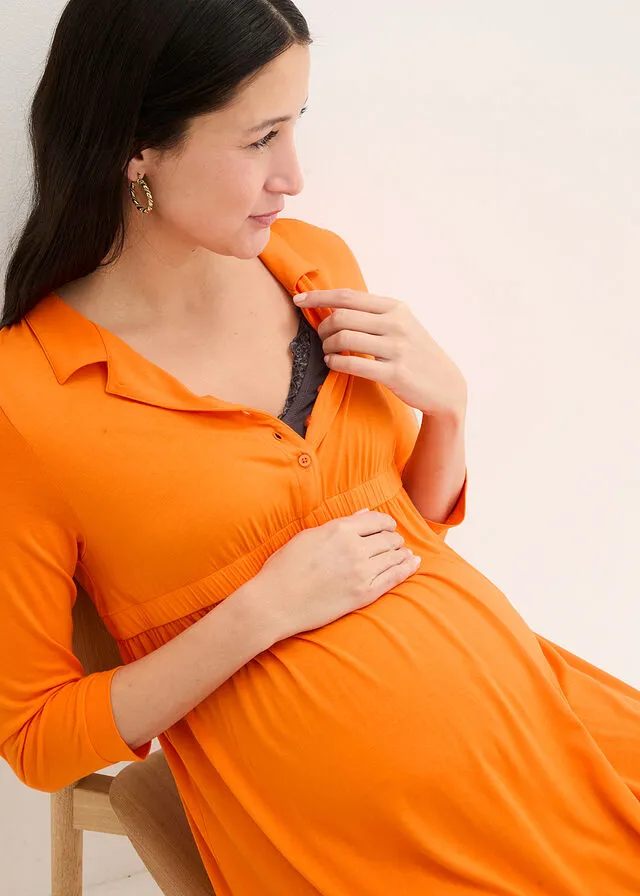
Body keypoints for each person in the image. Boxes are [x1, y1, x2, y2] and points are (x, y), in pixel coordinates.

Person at [1, 2, 639, 894]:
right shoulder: (29, 397)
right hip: (369, 833)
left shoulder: (313, 267)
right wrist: (260, 611)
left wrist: (449, 409)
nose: (293, 177)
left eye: (296, 126)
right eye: (259, 138)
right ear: (135, 148)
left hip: (541, 718)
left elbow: (397, 545)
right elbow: (36, 742)